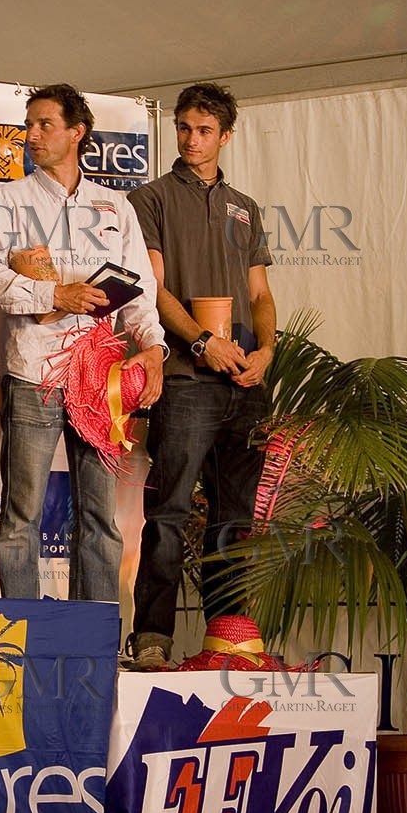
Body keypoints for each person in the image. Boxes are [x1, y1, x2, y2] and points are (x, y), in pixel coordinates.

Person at [0, 84, 167, 602]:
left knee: (101, 514)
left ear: (77, 133)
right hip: (35, 372)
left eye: (44, 125)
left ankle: (94, 634)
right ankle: (23, 632)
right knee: (21, 514)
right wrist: (53, 292)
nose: (31, 135)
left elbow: (140, 290)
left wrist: (153, 350)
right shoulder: (6, 200)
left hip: (101, 378)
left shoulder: (115, 205)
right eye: (28, 124)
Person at [125, 82, 277, 671]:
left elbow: (261, 292)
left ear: (226, 136)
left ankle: (228, 636)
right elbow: (152, 288)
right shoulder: (151, 199)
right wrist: (201, 342)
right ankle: (153, 638)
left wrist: (265, 350)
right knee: (168, 511)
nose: (192, 139)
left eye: (205, 130)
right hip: (188, 378)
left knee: (235, 518)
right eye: (185, 128)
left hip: (245, 381)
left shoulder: (246, 207)